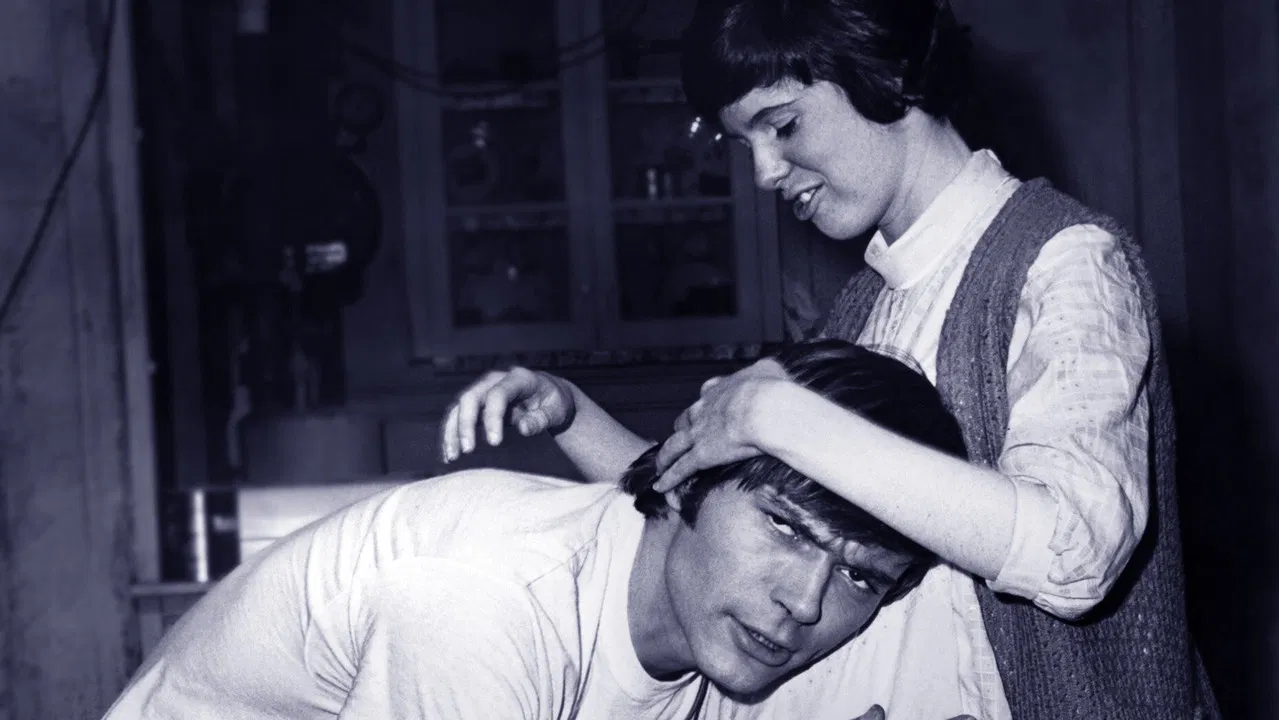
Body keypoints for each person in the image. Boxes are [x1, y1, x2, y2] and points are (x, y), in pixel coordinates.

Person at [442, 1, 1220, 718]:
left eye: (781, 125)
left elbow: (1073, 552)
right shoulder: (863, 305)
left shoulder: (1063, 261)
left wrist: (776, 414)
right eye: (742, 143)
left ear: (885, 75)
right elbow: (707, 514)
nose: (763, 173)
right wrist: (574, 415)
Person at [102, 340, 980, 720]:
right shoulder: (486, 605)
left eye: (860, 577)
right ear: (685, 484)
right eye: (785, 528)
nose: (805, 602)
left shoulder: (673, 597)